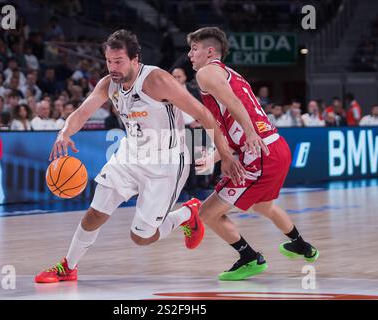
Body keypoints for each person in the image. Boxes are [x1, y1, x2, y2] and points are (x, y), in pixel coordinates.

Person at [35, 29, 244, 283]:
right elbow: (82, 112)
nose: (113, 67)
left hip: (164, 163)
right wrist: (65, 132)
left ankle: (188, 214)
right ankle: (69, 266)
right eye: (109, 61)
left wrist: (224, 154)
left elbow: (203, 114)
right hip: (129, 156)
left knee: (142, 236)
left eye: (118, 61)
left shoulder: (157, 80)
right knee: (95, 213)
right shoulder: (108, 83)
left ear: (135, 59)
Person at [187, 27, 318, 281]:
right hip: (276, 146)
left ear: (210, 51)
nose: (190, 55)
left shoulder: (206, 73)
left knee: (206, 213)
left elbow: (235, 106)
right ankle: (301, 245)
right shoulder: (232, 74)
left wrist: (250, 134)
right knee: (263, 206)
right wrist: (217, 156)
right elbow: (234, 119)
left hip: (258, 152)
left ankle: (249, 257)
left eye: (194, 49)